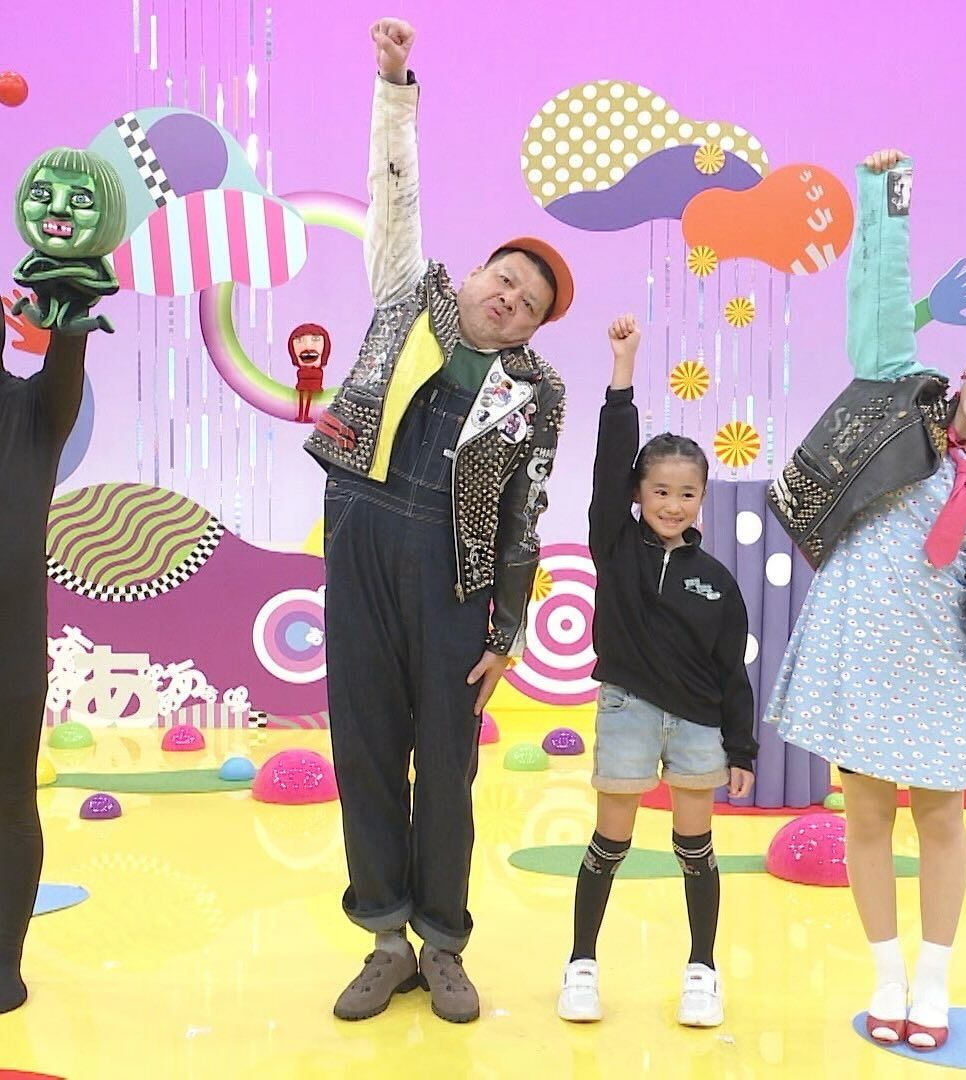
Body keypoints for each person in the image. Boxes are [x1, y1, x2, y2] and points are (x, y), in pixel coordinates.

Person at [304, 17, 573, 1025]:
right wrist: (395, 88)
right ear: (473, 275)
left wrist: (505, 632)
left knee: (447, 771)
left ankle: (445, 945)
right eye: (505, 278)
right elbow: (394, 193)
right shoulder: (404, 295)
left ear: (534, 328)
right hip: (361, 540)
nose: (510, 300)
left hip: (456, 582)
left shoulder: (537, 391)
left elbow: (525, 515)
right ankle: (385, 941)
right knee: (366, 750)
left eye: (529, 303)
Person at [765, 148, 966, 1051]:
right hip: (857, 635)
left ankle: (934, 982)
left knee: (940, 815)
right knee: (865, 814)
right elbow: (880, 301)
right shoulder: (900, 397)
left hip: (940, 657)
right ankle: (885, 975)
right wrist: (886, 195)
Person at [557, 314, 756, 1028]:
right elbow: (610, 463)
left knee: (695, 849)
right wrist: (623, 372)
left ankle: (702, 970)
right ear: (639, 494)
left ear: (702, 498)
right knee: (610, 842)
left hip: (699, 725)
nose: (673, 504)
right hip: (629, 712)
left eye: (687, 493)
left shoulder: (717, 581)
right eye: (660, 491)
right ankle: (581, 965)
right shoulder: (614, 546)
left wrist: (742, 749)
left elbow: (732, 672)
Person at [0, 308, 90, 1012]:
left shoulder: (31, 412)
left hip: (10, 652)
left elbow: (66, 359)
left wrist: (71, 301)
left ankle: (3, 960)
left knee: (8, 803)